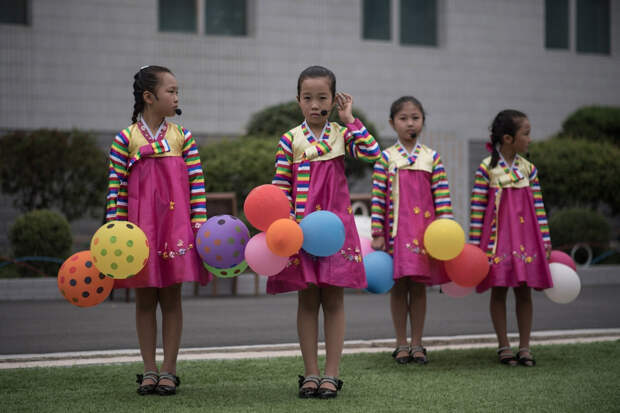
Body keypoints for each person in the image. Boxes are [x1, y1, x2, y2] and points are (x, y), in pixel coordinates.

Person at [268, 65, 380, 399]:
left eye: (322, 98)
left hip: (336, 230)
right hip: (300, 231)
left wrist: (350, 119)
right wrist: (286, 226)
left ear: (333, 99)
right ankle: (311, 374)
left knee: (333, 299)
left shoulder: (341, 134)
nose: (315, 104)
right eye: (307, 98)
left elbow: (374, 154)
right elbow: (279, 188)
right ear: (298, 100)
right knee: (307, 299)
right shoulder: (290, 139)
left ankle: (332, 374)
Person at [105, 65, 210, 395]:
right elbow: (116, 189)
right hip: (140, 231)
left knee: (172, 298)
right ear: (149, 97)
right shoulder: (126, 139)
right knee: (144, 299)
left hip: (176, 228)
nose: (177, 97)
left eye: (177, 91)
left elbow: (196, 183)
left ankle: (169, 369)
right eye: (172, 91)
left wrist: (198, 224)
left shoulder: (183, 137)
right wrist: (115, 229)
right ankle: (148, 369)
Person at [371, 96, 453, 365]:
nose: (410, 123)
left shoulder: (432, 158)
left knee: (418, 288)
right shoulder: (386, 158)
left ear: (423, 122)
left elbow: (442, 198)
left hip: (424, 234)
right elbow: (378, 198)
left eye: (415, 118)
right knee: (398, 288)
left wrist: (446, 231)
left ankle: (418, 343)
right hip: (396, 233)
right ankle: (401, 343)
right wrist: (377, 233)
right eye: (403, 118)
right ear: (392, 123)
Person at [469, 109, 552, 367]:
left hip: (527, 241)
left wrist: (545, 241)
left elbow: (538, 207)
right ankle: (503, 345)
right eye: (526, 134)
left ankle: (525, 346)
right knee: (499, 291)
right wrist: (474, 247)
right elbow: (477, 208)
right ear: (507, 138)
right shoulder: (487, 169)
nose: (529, 139)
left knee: (524, 292)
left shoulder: (529, 170)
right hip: (497, 242)